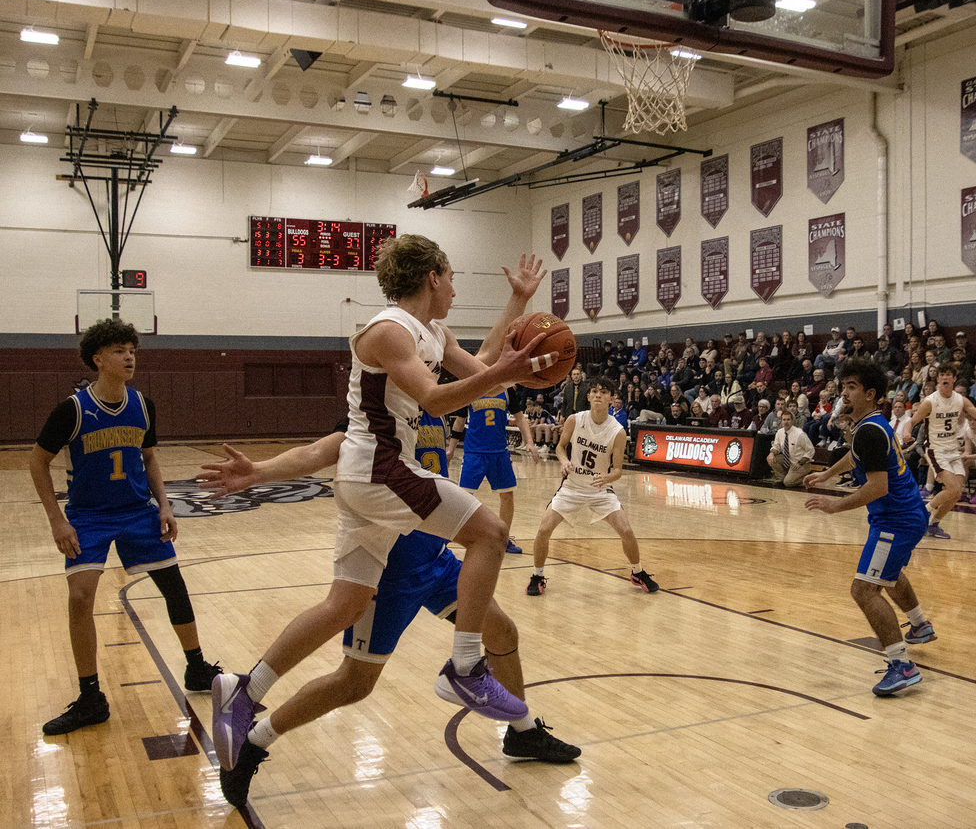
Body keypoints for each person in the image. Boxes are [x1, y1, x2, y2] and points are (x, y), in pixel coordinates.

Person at [209, 242, 557, 777]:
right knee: (489, 532)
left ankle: (245, 690)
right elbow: (441, 398)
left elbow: (484, 369)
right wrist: (500, 374)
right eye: (453, 277)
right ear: (433, 277)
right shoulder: (388, 329)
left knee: (343, 605)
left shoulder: (430, 335)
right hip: (380, 471)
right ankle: (466, 665)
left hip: (369, 481)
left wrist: (515, 307)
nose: (457, 289)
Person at [202, 417, 581, 807]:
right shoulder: (377, 409)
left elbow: (474, 364)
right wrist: (258, 472)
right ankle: (255, 741)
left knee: (502, 632)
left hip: (437, 557)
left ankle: (521, 732)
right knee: (354, 683)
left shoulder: (432, 399)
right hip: (387, 571)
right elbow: (320, 451)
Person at [29, 319, 222, 736]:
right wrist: (57, 520)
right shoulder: (73, 409)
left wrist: (165, 506)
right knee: (81, 598)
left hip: (137, 511)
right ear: (98, 359)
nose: (129, 356)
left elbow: (149, 458)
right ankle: (90, 698)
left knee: (174, 586)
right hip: (89, 516)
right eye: (119, 350)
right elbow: (36, 461)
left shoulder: (142, 404)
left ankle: (196, 668)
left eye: (132, 350)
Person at [804, 358, 936, 696]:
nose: (844, 393)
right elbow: (856, 456)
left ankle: (901, 664)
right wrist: (827, 474)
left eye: (852, 388)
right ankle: (919, 624)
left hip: (897, 520)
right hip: (904, 516)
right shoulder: (870, 425)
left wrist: (835, 505)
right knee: (886, 575)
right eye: (843, 386)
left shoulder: (870, 431)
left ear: (870, 393)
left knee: (864, 589)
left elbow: (878, 487)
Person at [527, 376, 658, 597]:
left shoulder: (617, 431)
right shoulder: (575, 420)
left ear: (611, 398)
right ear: (588, 396)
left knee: (626, 530)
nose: (598, 395)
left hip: (599, 490)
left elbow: (617, 470)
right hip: (572, 487)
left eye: (604, 392)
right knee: (543, 529)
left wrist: (606, 479)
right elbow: (560, 447)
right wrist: (565, 461)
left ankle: (637, 571)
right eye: (595, 391)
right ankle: (537, 575)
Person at [903, 362, 976, 539]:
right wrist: (906, 431)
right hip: (936, 450)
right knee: (951, 488)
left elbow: (974, 411)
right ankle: (923, 514)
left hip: (952, 450)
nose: (944, 377)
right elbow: (912, 421)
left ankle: (933, 524)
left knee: (956, 493)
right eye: (941, 374)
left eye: (948, 374)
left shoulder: (960, 399)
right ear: (938, 378)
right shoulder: (930, 401)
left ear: (954, 378)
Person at [453, 386, 540, 555]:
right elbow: (460, 420)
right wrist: (451, 449)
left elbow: (520, 418)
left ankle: (504, 539)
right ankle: (463, 536)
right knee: (464, 498)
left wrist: (529, 441)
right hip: (474, 452)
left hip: (499, 452)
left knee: (507, 495)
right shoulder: (472, 387)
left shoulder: (507, 390)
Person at [766, 410, 814, 487]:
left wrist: (800, 463)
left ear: (792, 421)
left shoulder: (799, 434)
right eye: (784, 420)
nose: (786, 422)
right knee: (772, 458)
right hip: (789, 461)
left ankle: (808, 478)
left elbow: (811, 450)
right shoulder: (779, 432)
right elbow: (776, 447)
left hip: (802, 463)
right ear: (781, 421)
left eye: (788, 419)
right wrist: (771, 453)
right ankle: (782, 478)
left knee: (788, 483)